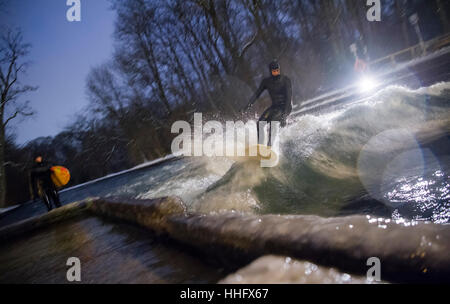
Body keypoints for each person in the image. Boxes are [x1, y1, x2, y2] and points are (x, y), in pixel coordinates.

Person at [242, 60, 293, 147]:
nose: (276, 72)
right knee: (260, 123)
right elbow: (257, 94)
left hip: (285, 107)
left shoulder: (286, 80)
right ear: (270, 71)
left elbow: (289, 98)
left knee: (273, 123)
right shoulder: (266, 82)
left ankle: (270, 147)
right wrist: (247, 106)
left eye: (277, 70)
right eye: (274, 71)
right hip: (274, 107)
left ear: (279, 70)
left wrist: (284, 116)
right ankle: (261, 146)